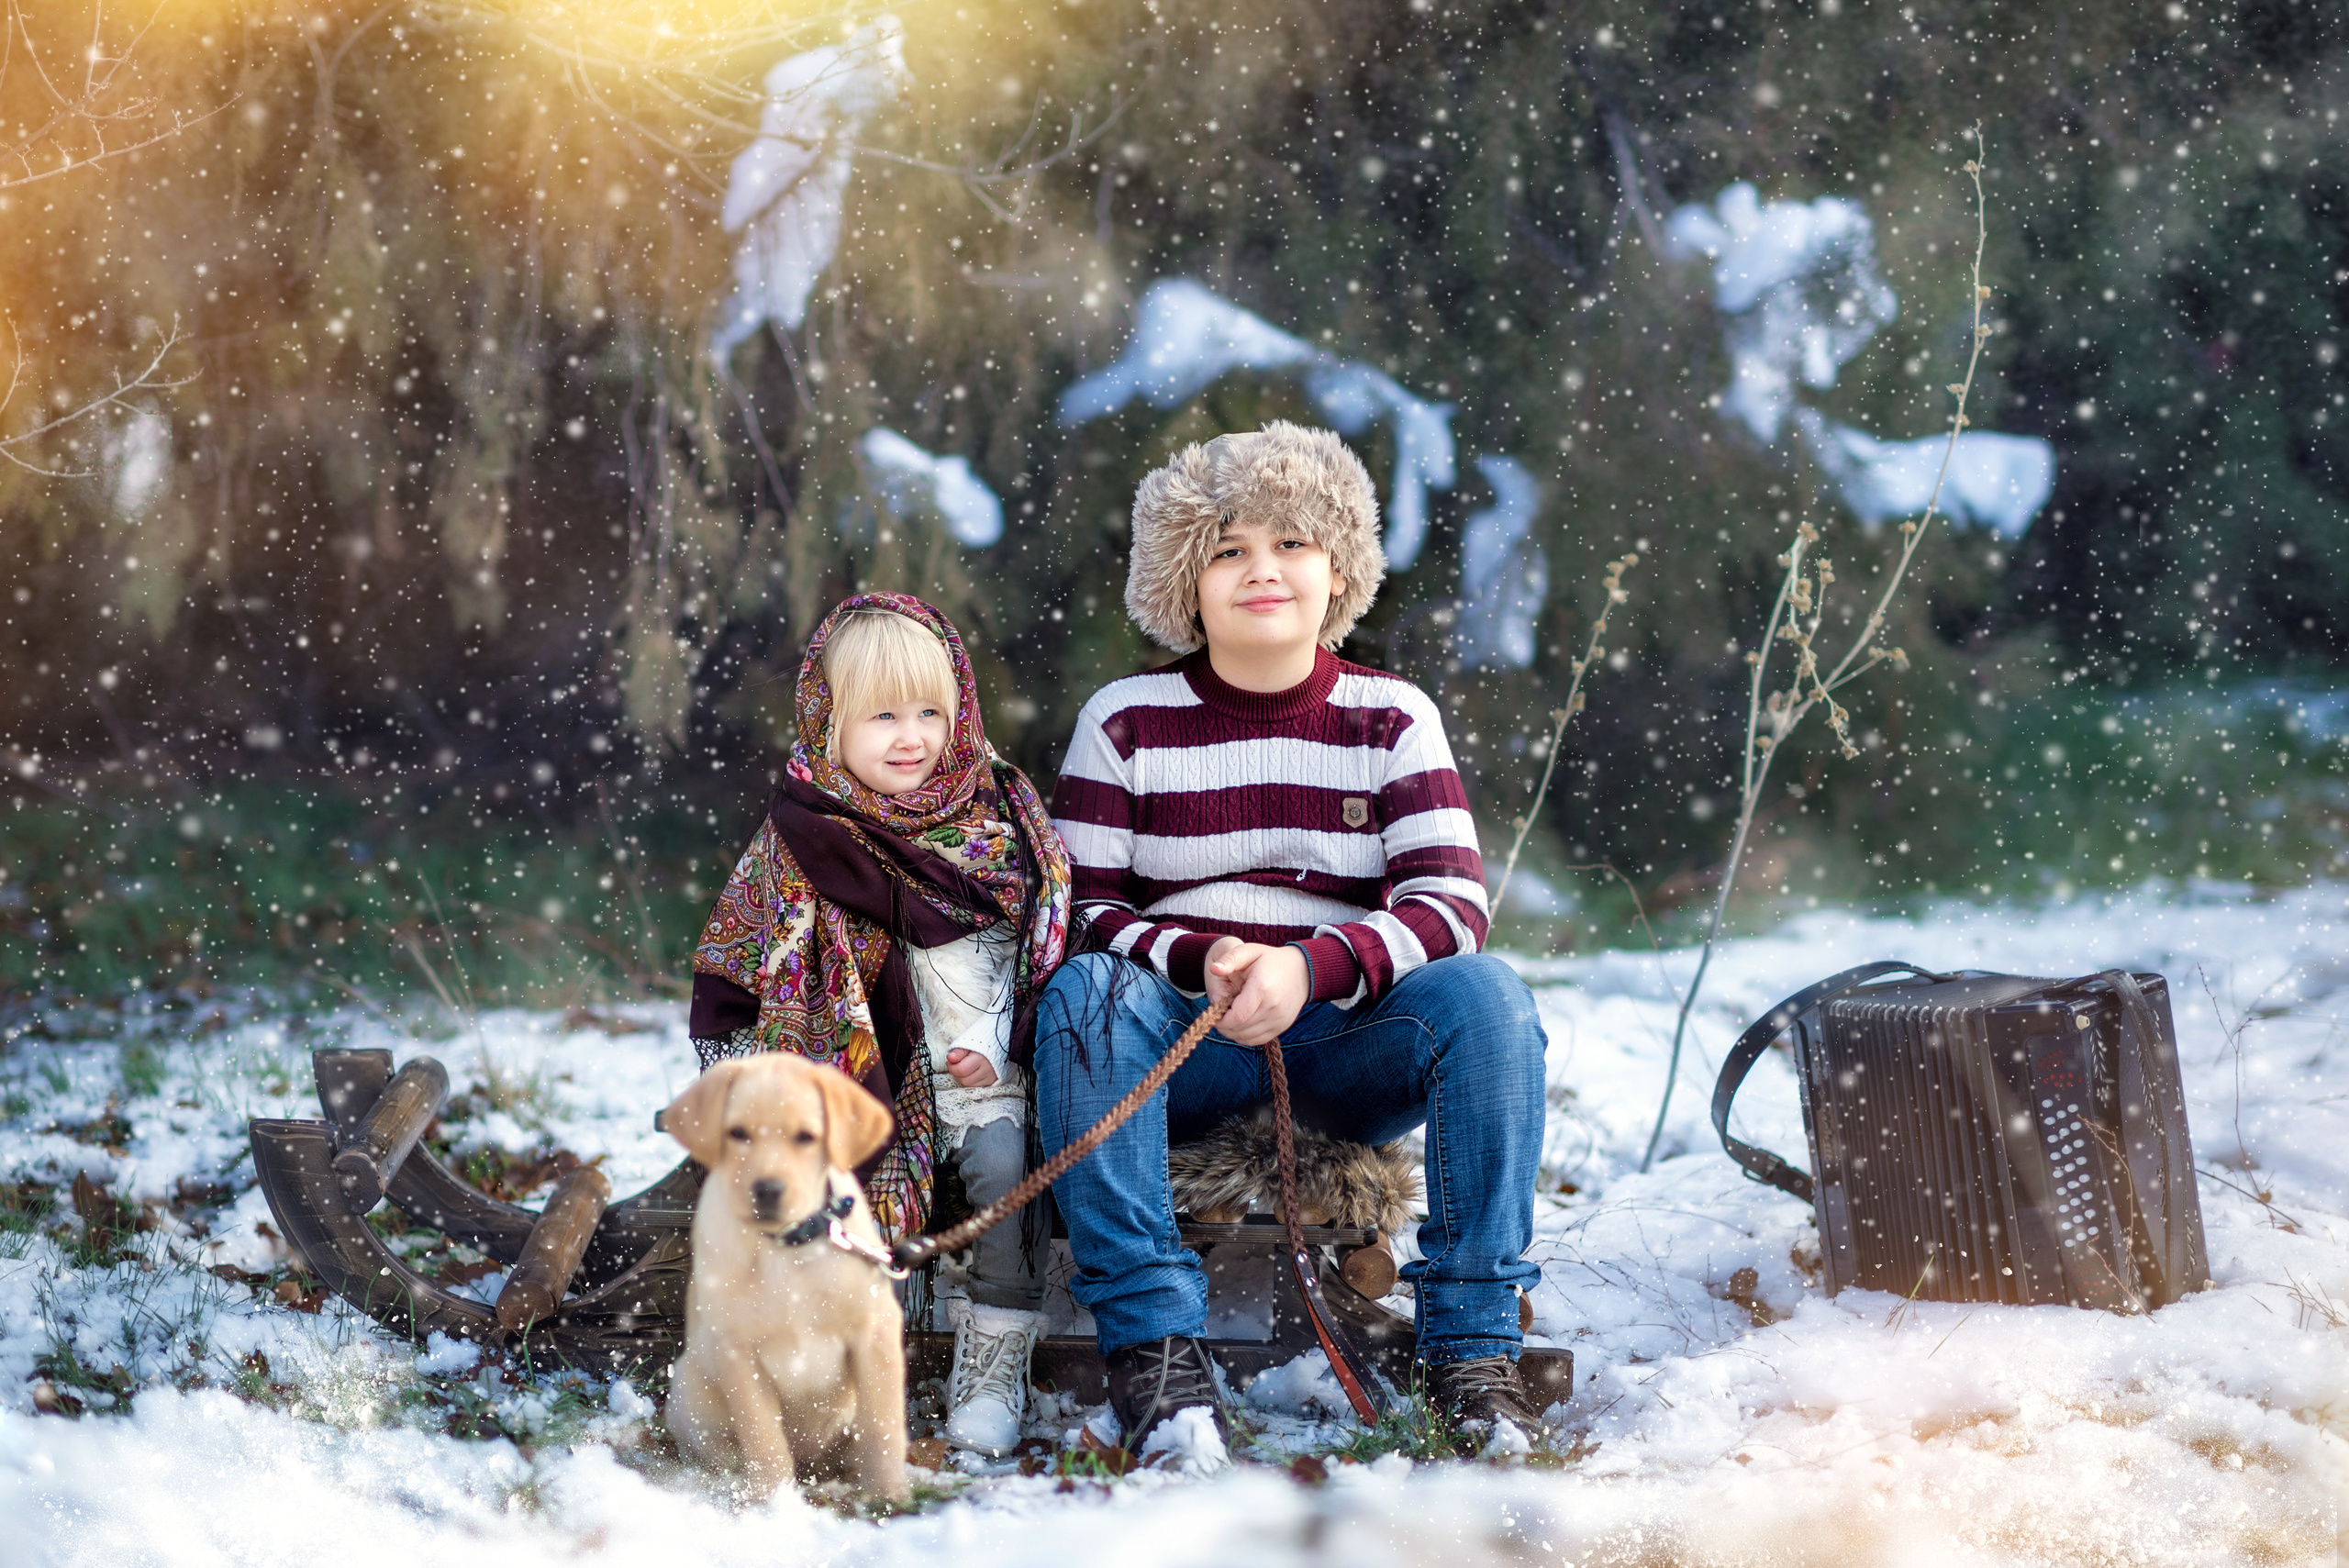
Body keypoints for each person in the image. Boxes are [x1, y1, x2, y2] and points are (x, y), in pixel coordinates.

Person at [1039, 422, 1550, 1452]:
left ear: (1339, 570)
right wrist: (1203, 958)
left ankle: (1471, 1343)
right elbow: (1080, 909)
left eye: (1291, 543)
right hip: (1182, 1045)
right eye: (1227, 549)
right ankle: (1154, 1344)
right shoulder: (1126, 719)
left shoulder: (1390, 717)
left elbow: (1451, 901)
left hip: (1345, 1046)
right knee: (1081, 993)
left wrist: (1310, 967)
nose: (1261, 569)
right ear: (1184, 582)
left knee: (1488, 997)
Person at [687, 594, 1073, 1458]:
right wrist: (765, 1073)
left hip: (979, 1076)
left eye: (931, 711)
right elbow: (734, 964)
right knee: (852, 1203)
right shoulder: (804, 832)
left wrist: (999, 1041)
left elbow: (1036, 953)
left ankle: (995, 1357)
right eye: (883, 715)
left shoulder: (998, 821)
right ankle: (856, 1367)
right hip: (855, 1077)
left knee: (1008, 1172)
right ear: (829, 721)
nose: (913, 737)